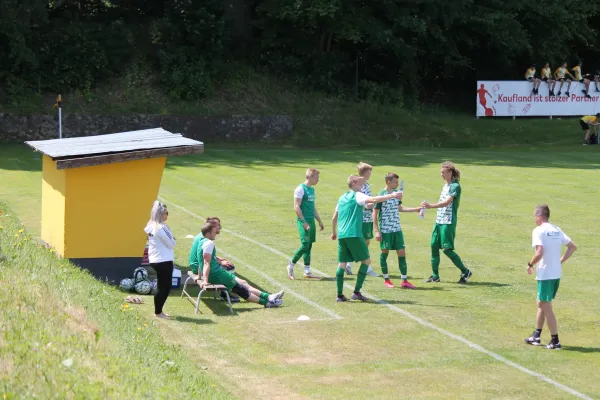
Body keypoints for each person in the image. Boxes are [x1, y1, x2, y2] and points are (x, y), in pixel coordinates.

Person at [331, 175, 403, 302]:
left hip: (342, 235)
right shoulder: (357, 195)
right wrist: (392, 195)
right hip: (354, 234)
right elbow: (374, 199)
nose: (362, 185)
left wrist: (333, 232)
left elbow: (334, 216)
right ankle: (357, 292)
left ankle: (339, 295)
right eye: (360, 183)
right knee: (366, 261)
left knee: (342, 263)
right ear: (353, 184)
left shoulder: (342, 197)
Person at [190, 223, 285, 308]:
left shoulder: (201, 242)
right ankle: (267, 303)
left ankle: (269, 297)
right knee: (241, 290)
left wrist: (199, 276)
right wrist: (205, 280)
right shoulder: (208, 243)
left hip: (216, 273)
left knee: (242, 283)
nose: (216, 234)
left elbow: (201, 262)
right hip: (217, 274)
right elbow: (206, 263)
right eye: (214, 232)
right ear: (209, 233)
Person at [524, 205, 577, 350]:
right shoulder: (556, 229)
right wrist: (559, 261)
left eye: (535, 216)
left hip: (545, 274)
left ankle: (555, 340)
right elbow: (572, 247)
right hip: (555, 274)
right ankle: (536, 335)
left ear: (539, 217)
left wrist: (530, 264)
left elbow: (539, 252)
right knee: (542, 303)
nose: (535, 219)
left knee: (545, 305)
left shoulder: (538, 231)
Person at [422, 162, 473, 284]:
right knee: (434, 246)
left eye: (443, 172)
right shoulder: (446, 185)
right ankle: (435, 276)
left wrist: (430, 206)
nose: (441, 175)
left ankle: (465, 271)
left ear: (450, 172)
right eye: (441, 172)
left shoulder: (455, 186)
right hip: (439, 220)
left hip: (448, 221)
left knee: (446, 249)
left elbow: (446, 203)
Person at [373, 173, 421, 289]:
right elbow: (374, 213)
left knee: (402, 253)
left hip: (397, 229)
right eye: (395, 182)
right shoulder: (381, 195)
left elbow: (400, 208)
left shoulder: (397, 194)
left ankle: (404, 280)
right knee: (385, 253)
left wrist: (415, 209)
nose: (397, 184)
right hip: (385, 230)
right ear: (388, 182)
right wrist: (377, 231)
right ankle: (386, 279)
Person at [287, 168, 324, 280]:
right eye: (317, 177)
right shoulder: (300, 189)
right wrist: (303, 222)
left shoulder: (312, 190)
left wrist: (319, 220)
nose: (318, 180)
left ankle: (307, 271)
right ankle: (290, 265)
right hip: (304, 221)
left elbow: (312, 207)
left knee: (309, 245)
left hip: (311, 222)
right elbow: (296, 206)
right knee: (304, 245)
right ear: (311, 177)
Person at [345, 162, 379, 278]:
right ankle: (365, 267)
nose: (370, 174)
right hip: (361, 218)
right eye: (369, 172)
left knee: (366, 241)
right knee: (362, 242)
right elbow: (362, 202)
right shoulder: (360, 185)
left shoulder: (367, 185)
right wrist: (374, 203)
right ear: (363, 173)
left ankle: (349, 264)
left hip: (367, 218)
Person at [144, 201, 176, 319]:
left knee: (162, 286)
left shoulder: (150, 226)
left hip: (155, 259)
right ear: (161, 214)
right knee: (164, 287)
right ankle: (158, 312)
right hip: (164, 260)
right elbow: (172, 244)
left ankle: (159, 311)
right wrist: (173, 239)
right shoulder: (161, 227)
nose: (168, 215)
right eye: (167, 213)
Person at [204, 217, 241, 303]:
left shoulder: (203, 237)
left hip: (201, 267)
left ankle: (228, 291)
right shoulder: (208, 242)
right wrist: (221, 262)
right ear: (212, 227)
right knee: (230, 268)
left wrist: (218, 258)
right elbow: (206, 261)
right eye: (218, 225)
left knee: (228, 267)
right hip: (206, 270)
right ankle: (225, 294)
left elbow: (207, 255)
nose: (220, 227)